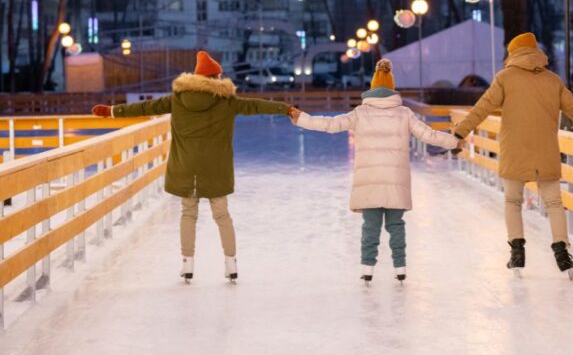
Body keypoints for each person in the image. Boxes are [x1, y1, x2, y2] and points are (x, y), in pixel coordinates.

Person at [92, 51, 296, 283]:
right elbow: (256, 106)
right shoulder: (227, 102)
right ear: (216, 77)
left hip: (186, 167)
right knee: (222, 215)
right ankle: (231, 264)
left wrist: (111, 111)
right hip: (216, 168)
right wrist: (285, 109)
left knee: (188, 214)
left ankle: (187, 264)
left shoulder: (177, 99)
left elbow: (145, 107)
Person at [288, 58, 459, 285]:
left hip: (369, 180)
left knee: (371, 226)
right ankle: (400, 267)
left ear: (372, 87)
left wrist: (302, 119)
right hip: (395, 180)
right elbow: (429, 135)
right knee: (396, 225)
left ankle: (367, 267)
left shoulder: (360, 113)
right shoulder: (404, 113)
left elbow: (330, 124)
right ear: (392, 87)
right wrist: (454, 142)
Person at [452, 32, 573, 279]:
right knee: (555, 203)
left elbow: (482, 108)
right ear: (536, 52)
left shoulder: (505, 78)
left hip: (515, 152)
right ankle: (562, 251)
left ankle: (517, 251)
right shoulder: (553, 81)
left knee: (513, 202)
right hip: (546, 153)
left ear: (513, 53)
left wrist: (459, 132)